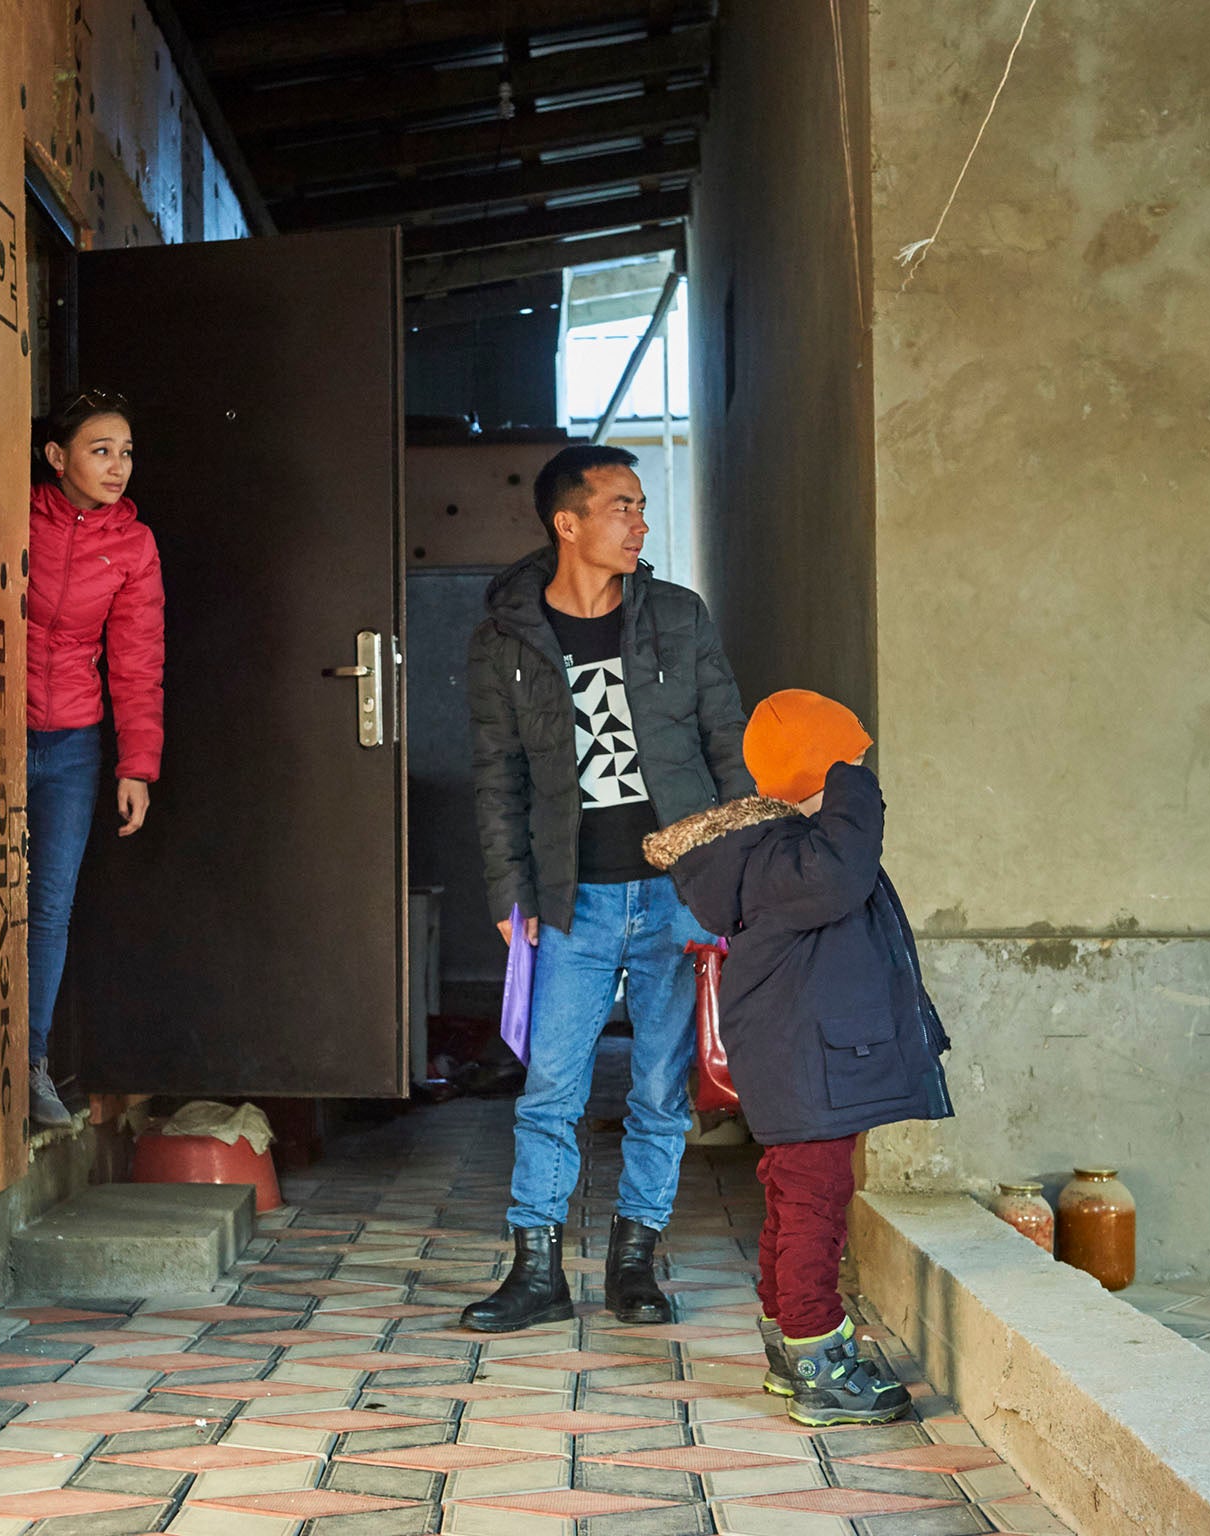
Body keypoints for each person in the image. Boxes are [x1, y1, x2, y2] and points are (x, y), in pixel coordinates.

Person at [462, 444, 753, 1332]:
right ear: (569, 523)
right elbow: (497, 776)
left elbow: (727, 748)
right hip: (572, 896)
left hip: (678, 891)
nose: (641, 522)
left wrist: (735, 876)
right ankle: (537, 1272)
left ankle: (636, 1265)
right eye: (623, 506)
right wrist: (513, 898)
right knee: (551, 1087)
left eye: (640, 506)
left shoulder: (677, 615)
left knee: (663, 1091)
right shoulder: (505, 639)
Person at [645, 689, 954, 1425]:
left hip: (808, 1061)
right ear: (824, 769)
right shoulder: (792, 859)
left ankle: (793, 1346)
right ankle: (819, 1355)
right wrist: (851, 779)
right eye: (849, 762)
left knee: (796, 1201)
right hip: (807, 1066)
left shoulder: (780, 855)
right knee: (812, 1206)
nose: (861, 773)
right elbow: (846, 864)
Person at [24, 390, 164, 1128]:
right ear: (57, 457)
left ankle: (30, 1064)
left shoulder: (133, 546)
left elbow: (137, 661)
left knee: (49, 905)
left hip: (73, 745)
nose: (118, 467)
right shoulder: (12, 518)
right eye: (100, 450)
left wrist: (135, 766)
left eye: (127, 452)